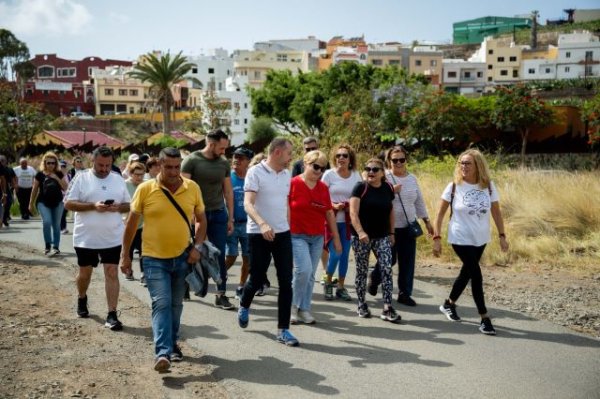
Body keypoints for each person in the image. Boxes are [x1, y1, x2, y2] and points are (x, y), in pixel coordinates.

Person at [120, 147, 207, 373]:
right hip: (152, 258)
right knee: (162, 302)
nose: (173, 171)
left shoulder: (192, 188)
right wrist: (125, 254)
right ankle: (163, 352)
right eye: (168, 167)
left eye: (177, 167)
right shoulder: (145, 189)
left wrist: (197, 246)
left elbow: (201, 220)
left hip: (182, 257)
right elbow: (131, 224)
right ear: (159, 164)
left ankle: (173, 342)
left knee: (176, 305)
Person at [433, 149, 509, 335]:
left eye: (468, 163)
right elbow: (439, 215)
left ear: (478, 166)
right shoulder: (453, 187)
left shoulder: (488, 186)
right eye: (461, 163)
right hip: (460, 236)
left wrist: (502, 236)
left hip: (480, 238)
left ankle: (448, 304)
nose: (463, 166)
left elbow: (496, 212)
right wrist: (436, 238)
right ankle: (484, 317)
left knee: (466, 272)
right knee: (476, 274)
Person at [237, 137, 299, 347]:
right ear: (278, 152)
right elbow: (248, 204)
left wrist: (288, 225)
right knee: (256, 279)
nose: (291, 158)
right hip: (258, 233)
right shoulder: (255, 172)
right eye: (289, 153)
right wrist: (263, 224)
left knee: (286, 281)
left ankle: (283, 330)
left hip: (282, 233)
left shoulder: (286, 174)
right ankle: (244, 304)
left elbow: (285, 202)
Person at [64, 146, 131, 331]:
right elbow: (68, 203)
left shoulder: (118, 179)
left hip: (112, 237)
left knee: (111, 272)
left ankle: (112, 314)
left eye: (108, 165)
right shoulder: (81, 177)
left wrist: (118, 207)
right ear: (93, 161)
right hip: (86, 237)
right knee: (85, 274)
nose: (104, 169)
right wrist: (93, 206)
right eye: (101, 165)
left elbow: (129, 205)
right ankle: (82, 297)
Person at [369, 146, 434, 306]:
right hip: (387, 227)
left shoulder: (412, 179)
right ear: (388, 161)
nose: (398, 163)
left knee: (407, 261)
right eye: (395, 160)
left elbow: (419, 200)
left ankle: (405, 293)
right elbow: (374, 195)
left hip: (408, 225)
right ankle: (374, 278)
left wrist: (426, 220)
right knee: (389, 260)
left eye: (402, 159)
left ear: (406, 160)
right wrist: (391, 190)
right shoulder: (384, 177)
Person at [182, 129, 234, 310]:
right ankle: (186, 284)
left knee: (219, 254)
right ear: (211, 144)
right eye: (221, 148)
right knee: (193, 252)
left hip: (218, 212)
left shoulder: (223, 163)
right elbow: (184, 191)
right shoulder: (191, 161)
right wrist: (188, 218)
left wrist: (231, 217)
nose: (224, 151)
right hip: (196, 214)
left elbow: (228, 191)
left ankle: (221, 294)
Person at [289, 150, 341, 324]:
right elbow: (284, 208)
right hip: (297, 235)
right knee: (302, 270)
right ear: (305, 164)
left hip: (317, 237)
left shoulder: (323, 188)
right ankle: (293, 307)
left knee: (310, 274)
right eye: (315, 166)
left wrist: (336, 238)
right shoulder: (293, 184)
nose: (318, 171)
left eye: (322, 168)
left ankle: (305, 309)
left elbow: (329, 213)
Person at [349, 158, 399, 322]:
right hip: (361, 238)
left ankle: (387, 307)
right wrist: (360, 231)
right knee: (362, 270)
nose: (371, 172)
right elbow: (353, 213)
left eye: (375, 169)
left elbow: (391, 211)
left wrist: (392, 233)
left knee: (386, 269)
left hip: (382, 236)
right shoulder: (360, 187)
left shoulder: (388, 188)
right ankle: (362, 304)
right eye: (368, 168)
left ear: (382, 173)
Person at [322, 144, 362, 301]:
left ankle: (341, 286)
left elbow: (360, 196)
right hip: (331, 220)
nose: (341, 158)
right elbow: (321, 197)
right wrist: (333, 206)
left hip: (348, 222)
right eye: (338, 155)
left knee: (345, 255)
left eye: (345, 155)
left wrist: (350, 207)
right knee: (336, 253)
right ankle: (328, 282)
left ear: (350, 158)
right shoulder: (328, 175)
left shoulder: (356, 176)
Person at [225, 147, 254, 300]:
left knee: (248, 258)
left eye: (241, 158)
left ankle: (241, 286)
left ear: (248, 161)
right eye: (235, 156)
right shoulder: (228, 177)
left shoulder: (252, 178)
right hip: (231, 223)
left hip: (248, 224)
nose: (236, 160)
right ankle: (219, 277)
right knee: (231, 256)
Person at [29, 152, 69, 255]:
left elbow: (66, 188)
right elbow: (34, 189)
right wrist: (31, 203)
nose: (51, 165)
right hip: (43, 202)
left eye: (53, 163)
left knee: (56, 225)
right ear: (45, 163)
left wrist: (56, 178)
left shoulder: (59, 173)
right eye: (48, 163)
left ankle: (56, 247)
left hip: (58, 202)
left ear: (56, 164)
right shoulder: (40, 174)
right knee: (47, 222)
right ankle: (48, 245)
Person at [123, 162, 147, 283]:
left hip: (143, 223)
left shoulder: (145, 185)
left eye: (141, 175)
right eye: (136, 174)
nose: (139, 177)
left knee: (143, 250)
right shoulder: (125, 185)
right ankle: (128, 270)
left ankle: (144, 273)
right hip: (127, 223)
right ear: (131, 174)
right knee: (129, 249)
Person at [0, 155, 16, 227]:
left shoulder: (9, 169)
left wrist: (14, 186)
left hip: (7, 188)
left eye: (3, 160)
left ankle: (5, 217)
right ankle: (2, 218)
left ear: (6, 161)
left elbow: (12, 178)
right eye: (1, 160)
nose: (2, 162)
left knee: (9, 202)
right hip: (2, 188)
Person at [59, 160, 70, 234]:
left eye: (64, 166)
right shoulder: (56, 176)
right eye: (61, 166)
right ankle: (62, 228)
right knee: (61, 213)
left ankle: (63, 227)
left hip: (67, 197)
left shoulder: (69, 176)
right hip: (58, 197)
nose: (62, 168)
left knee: (64, 213)